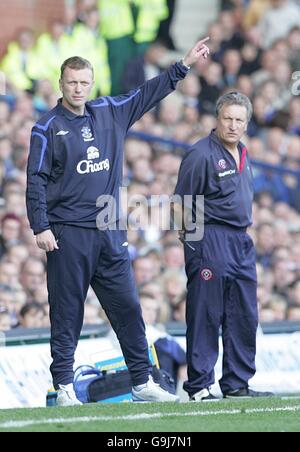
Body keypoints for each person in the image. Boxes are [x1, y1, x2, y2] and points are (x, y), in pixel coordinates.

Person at [26, 38, 210, 406]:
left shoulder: (110, 111)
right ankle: (63, 387)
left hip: (111, 229)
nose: (78, 88)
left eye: (83, 82)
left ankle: (142, 382)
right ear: (61, 84)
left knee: (128, 308)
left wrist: (183, 65)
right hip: (68, 233)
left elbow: (148, 93)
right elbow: (35, 179)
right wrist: (40, 226)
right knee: (67, 313)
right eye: (71, 82)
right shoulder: (46, 128)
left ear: (91, 84)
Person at [173, 92, 274, 401]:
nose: (232, 125)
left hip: (241, 240)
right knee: (206, 312)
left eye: (239, 120)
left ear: (247, 123)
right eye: (227, 118)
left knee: (244, 313)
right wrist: (192, 243)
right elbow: (180, 203)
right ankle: (200, 386)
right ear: (216, 120)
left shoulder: (243, 152)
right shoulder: (201, 153)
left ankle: (236, 383)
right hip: (210, 238)